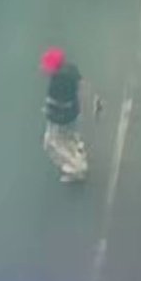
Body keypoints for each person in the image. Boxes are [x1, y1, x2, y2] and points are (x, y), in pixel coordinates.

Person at [40, 47, 88, 183]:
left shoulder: (57, 82)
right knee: (71, 136)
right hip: (73, 113)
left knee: (51, 143)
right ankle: (79, 152)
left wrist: (49, 111)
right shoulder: (71, 70)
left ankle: (77, 168)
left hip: (61, 118)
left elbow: (57, 102)